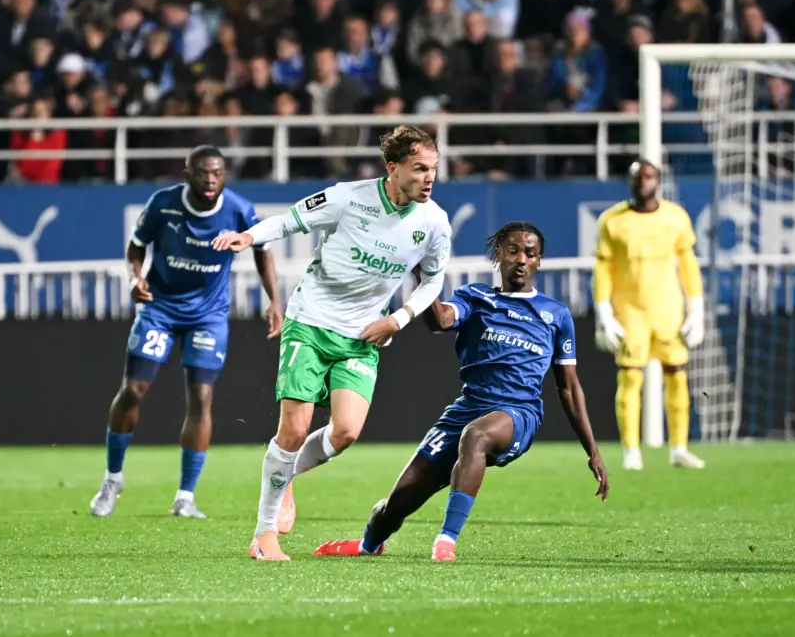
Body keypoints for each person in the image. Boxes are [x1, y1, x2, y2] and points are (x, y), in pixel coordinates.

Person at [212, 125, 453, 561]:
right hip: (310, 321)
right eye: (420, 169)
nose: (429, 178)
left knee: (345, 432)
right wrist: (249, 237)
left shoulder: (434, 222)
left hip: (363, 334)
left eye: (434, 169)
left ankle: (285, 480)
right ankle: (264, 536)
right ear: (393, 168)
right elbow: (290, 220)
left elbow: (433, 281)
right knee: (295, 429)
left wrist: (397, 320)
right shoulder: (348, 197)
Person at [314, 222, 609, 562]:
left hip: (518, 414)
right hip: (466, 410)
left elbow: (569, 388)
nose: (521, 259)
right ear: (498, 255)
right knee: (394, 506)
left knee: (477, 436)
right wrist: (422, 274)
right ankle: (368, 544)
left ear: (539, 260)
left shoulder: (555, 315)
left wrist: (593, 451)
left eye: (530, 253)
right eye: (512, 250)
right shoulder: (476, 297)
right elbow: (439, 320)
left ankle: (446, 540)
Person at [89, 145, 282, 519]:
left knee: (201, 398)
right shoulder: (163, 204)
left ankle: (185, 496)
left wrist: (274, 300)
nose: (210, 180)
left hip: (208, 315)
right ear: (188, 173)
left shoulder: (239, 209)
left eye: (217, 173)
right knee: (133, 391)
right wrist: (135, 278)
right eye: (203, 172)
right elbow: (136, 246)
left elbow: (262, 249)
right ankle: (113, 478)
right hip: (159, 309)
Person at [592, 158, 706, 472]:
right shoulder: (612, 221)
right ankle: (631, 450)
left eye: (650, 176)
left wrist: (697, 309)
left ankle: (679, 447)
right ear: (629, 181)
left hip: (668, 310)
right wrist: (604, 311)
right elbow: (603, 268)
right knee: (630, 378)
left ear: (659, 180)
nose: (644, 181)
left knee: (677, 375)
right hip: (630, 312)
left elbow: (688, 265)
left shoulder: (676, 217)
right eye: (638, 176)